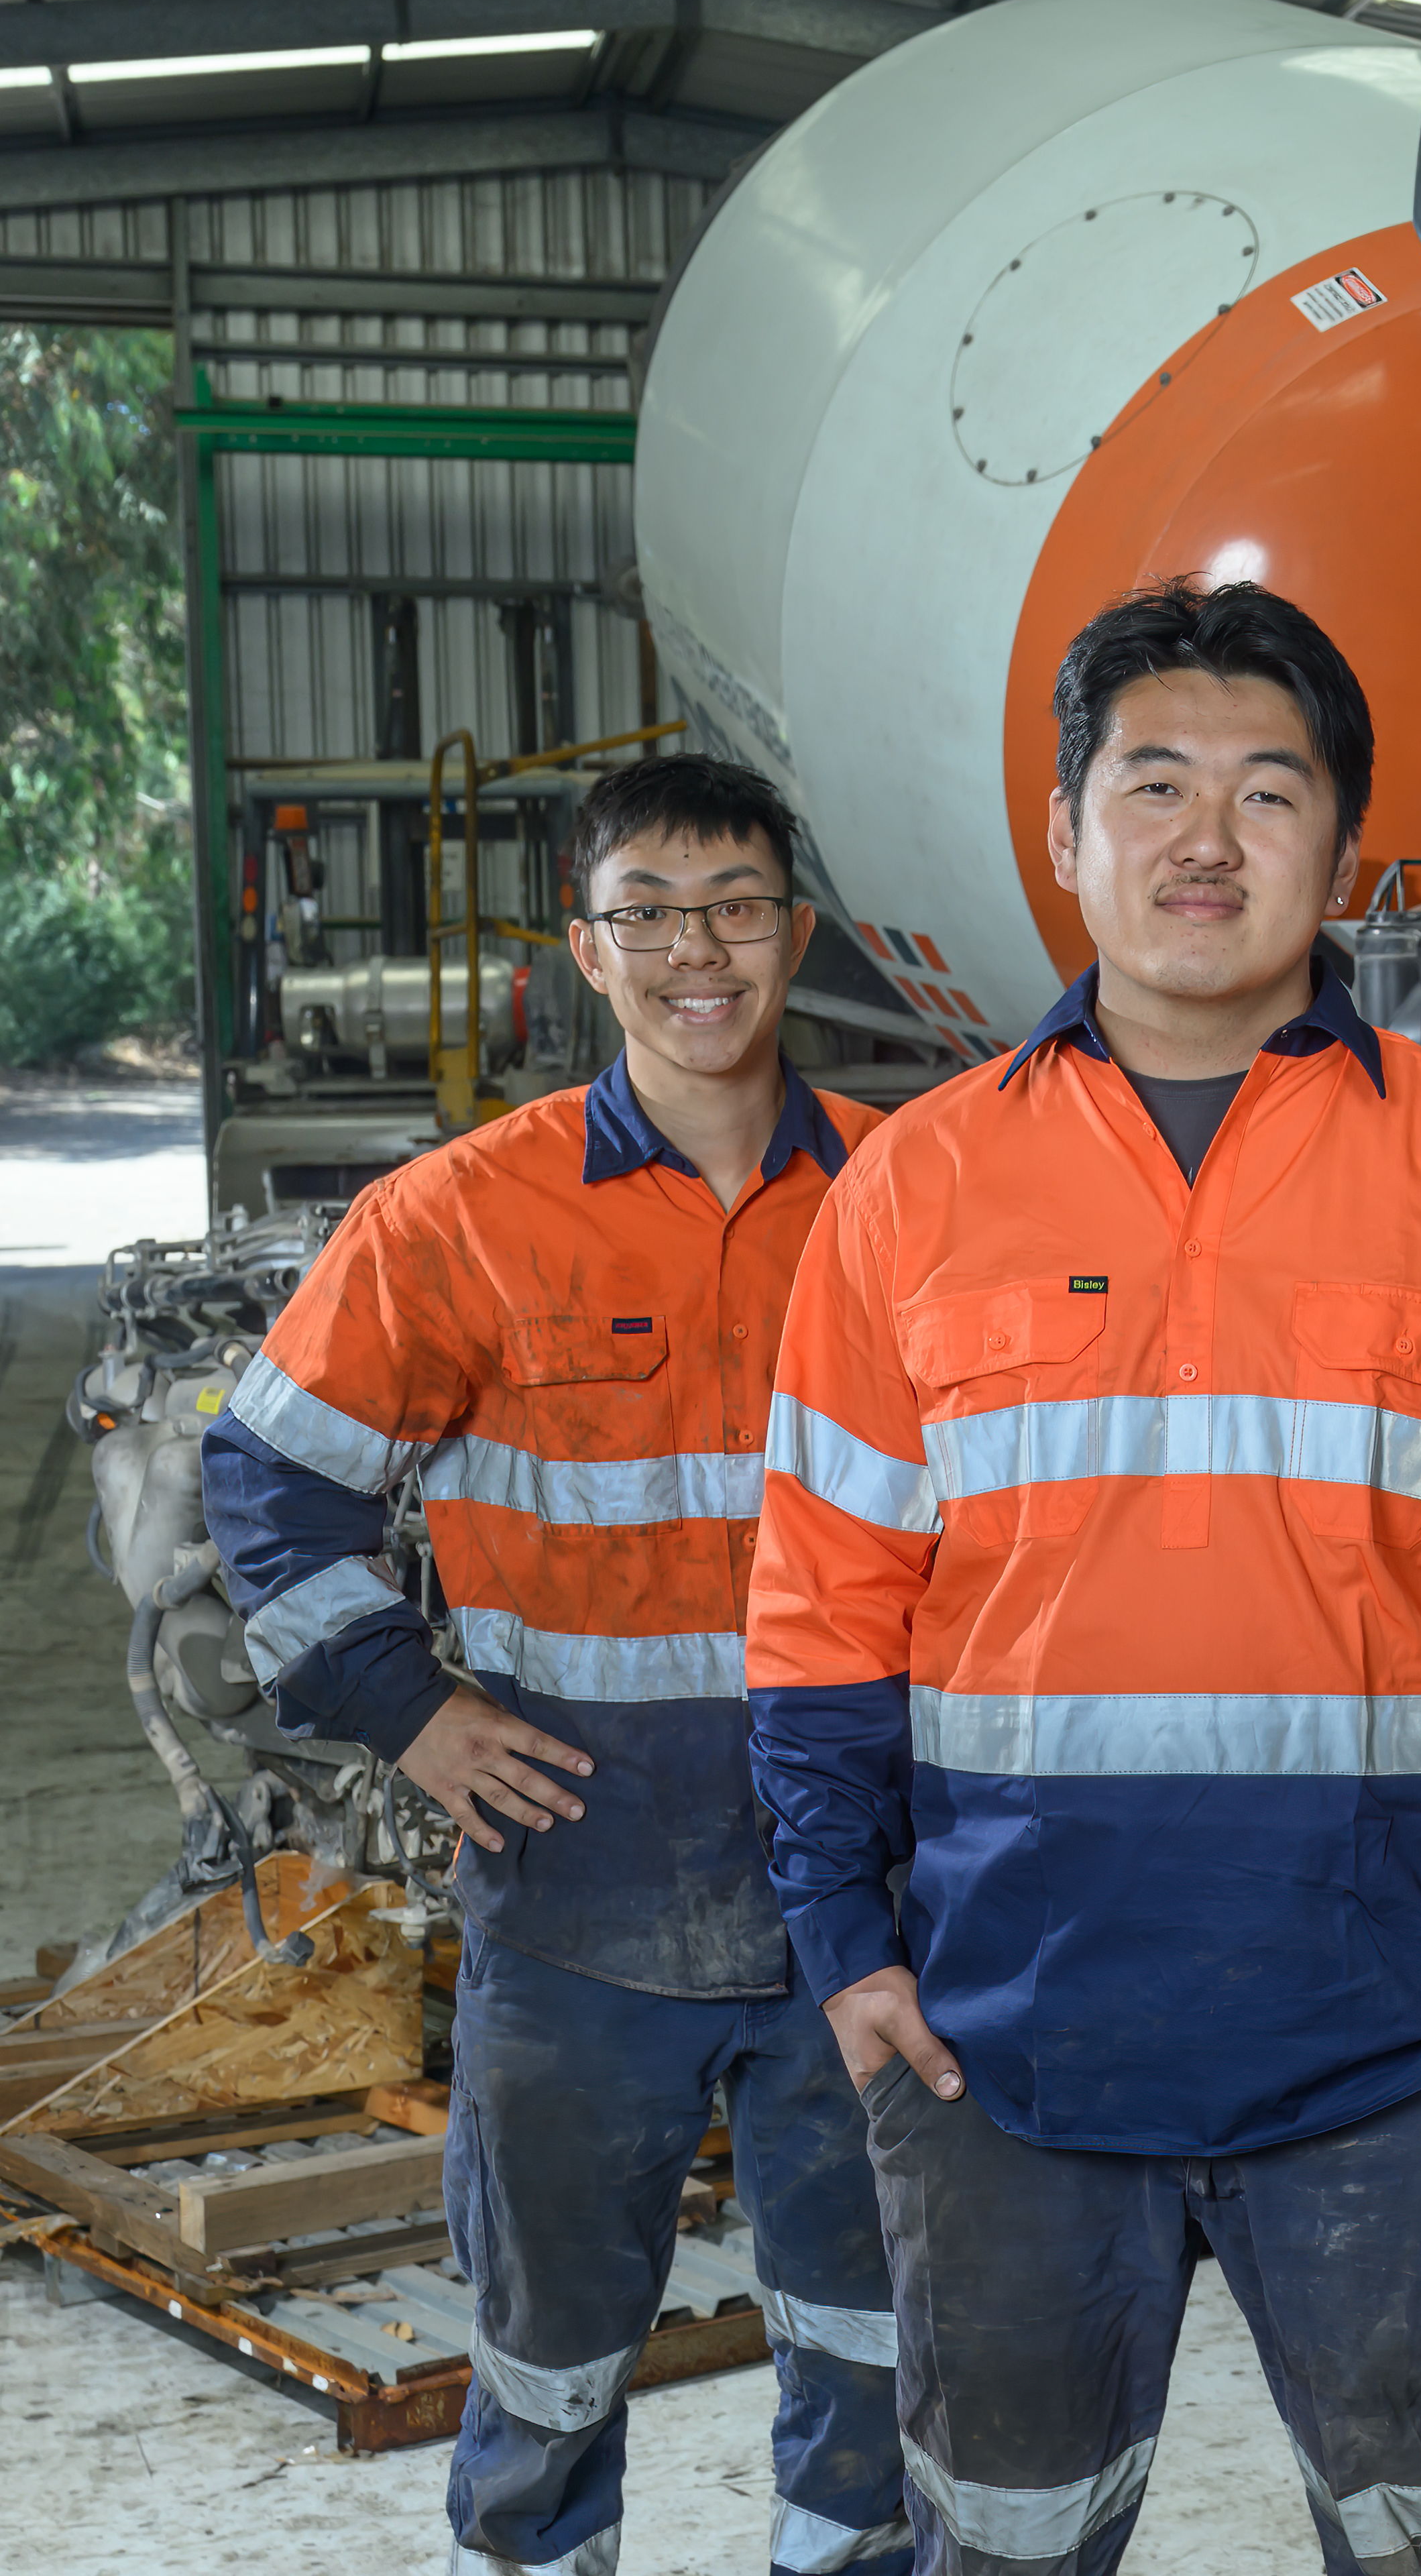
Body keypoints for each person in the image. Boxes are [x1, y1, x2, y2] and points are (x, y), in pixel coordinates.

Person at [742, 579, 1421, 2576]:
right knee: (1003, 2541)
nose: (1205, 840)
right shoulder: (914, 1190)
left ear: (1345, 852)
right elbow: (823, 1613)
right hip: (1000, 2050)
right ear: (1070, 833)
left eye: (1269, 795)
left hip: (1401, 2052)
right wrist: (844, 1945)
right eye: (1152, 785)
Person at [204, 754, 909, 2576]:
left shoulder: (917, 1201)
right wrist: (405, 1706)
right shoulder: (459, 1216)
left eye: (738, 906)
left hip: (878, 1893)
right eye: (648, 913)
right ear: (585, 950)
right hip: (586, 1885)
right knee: (546, 2368)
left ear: (796, 934)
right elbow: (270, 1474)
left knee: (880, 2354)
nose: (699, 949)